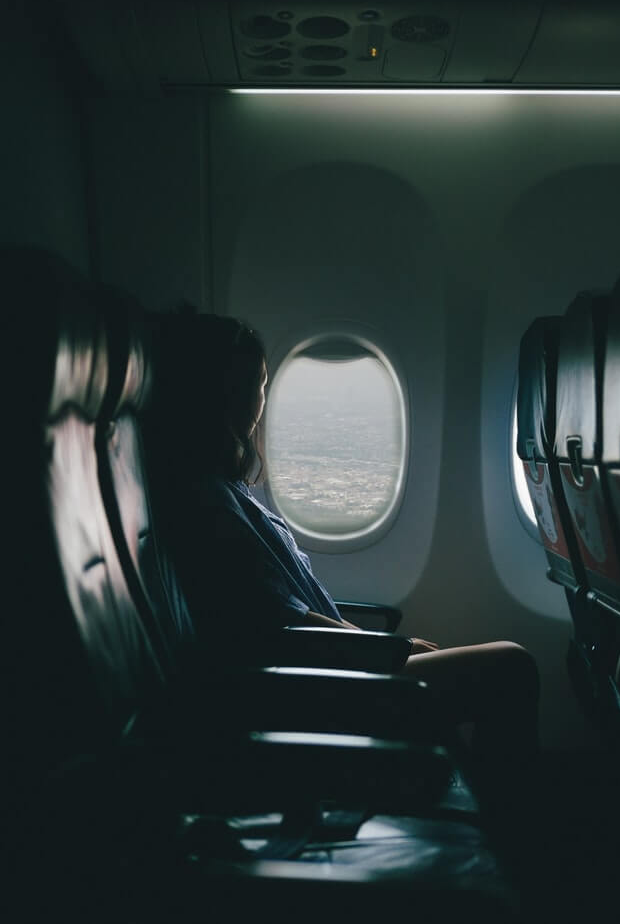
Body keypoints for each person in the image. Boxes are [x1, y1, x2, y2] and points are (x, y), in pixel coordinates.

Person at [144, 308, 540, 799]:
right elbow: (277, 622)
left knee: (492, 670)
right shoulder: (204, 499)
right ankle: (514, 830)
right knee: (511, 666)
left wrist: (384, 646)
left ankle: (494, 814)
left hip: (328, 670)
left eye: (261, 383)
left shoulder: (223, 488)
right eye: (251, 384)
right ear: (215, 394)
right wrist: (391, 649)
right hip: (310, 691)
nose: (258, 401)